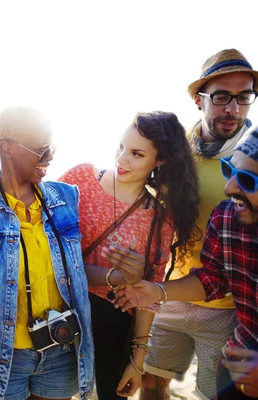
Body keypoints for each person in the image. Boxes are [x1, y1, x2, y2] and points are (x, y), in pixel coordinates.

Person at [0, 106, 94, 400]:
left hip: (60, 349)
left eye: (52, 148)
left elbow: (76, 270)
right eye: (42, 149)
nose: (50, 157)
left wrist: (116, 276)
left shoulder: (67, 198)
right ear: (7, 149)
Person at [140, 49, 258, 400]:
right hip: (173, 292)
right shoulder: (173, 154)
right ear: (199, 100)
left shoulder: (249, 160)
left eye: (245, 97)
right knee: (152, 382)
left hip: (229, 308)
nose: (233, 108)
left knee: (214, 392)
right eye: (222, 96)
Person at [59, 111, 201, 399]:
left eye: (136, 154)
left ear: (160, 160)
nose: (122, 159)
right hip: (61, 306)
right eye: (121, 147)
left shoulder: (160, 217)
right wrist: (116, 275)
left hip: (114, 321)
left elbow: (147, 299)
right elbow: (47, 247)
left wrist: (137, 362)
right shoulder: (79, 179)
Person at [113, 128, 258, 399]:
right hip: (237, 364)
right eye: (230, 170)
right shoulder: (227, 217)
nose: (229, 188)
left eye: (248, 181)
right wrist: (159, 291)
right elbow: (214, 278)